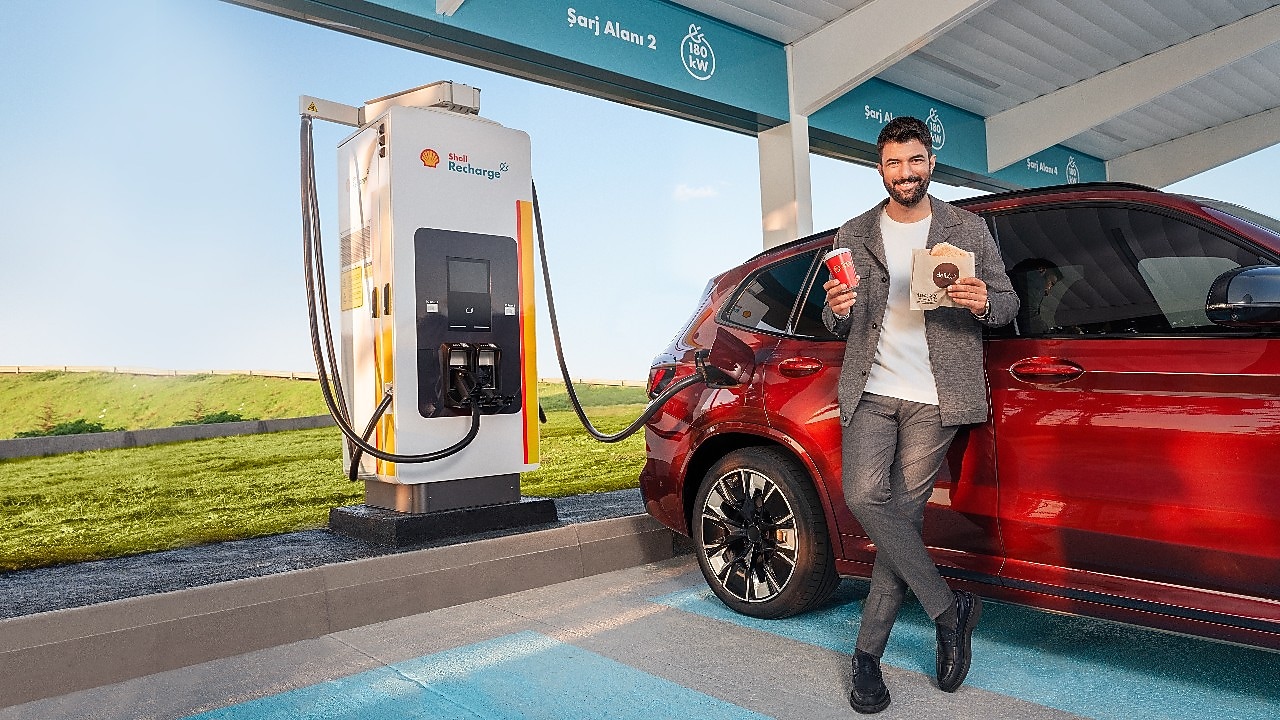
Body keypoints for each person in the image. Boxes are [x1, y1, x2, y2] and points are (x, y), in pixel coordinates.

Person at [820, 116, 1017, 714]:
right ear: (880, 170)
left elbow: (1007, 305)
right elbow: (835, 323)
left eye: (915, 160)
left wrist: (985, 299)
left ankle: (866, 660)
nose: (905, 173)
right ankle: (945, 607)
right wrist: (837, 308)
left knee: (900, 523)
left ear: (931, 162)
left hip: (937, 397)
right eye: (893, 163)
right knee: (864, 499)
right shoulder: (853, 233)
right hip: (872, 390)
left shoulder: (967, 227)